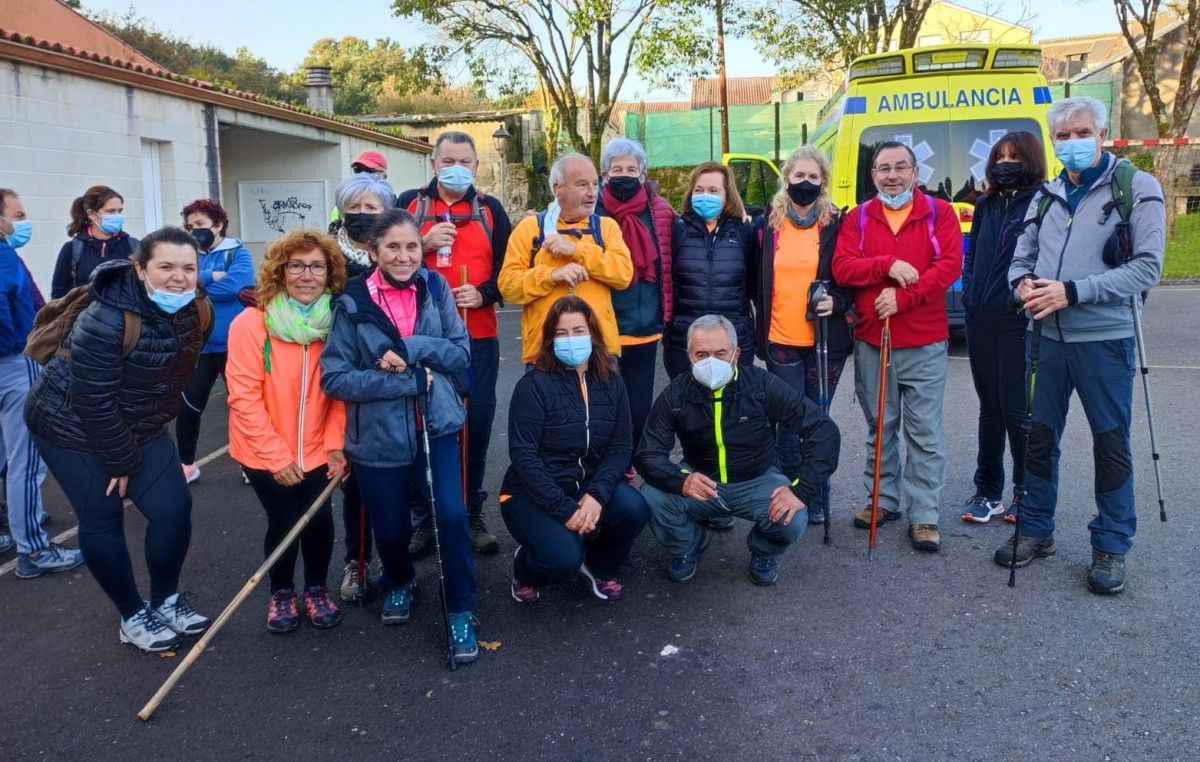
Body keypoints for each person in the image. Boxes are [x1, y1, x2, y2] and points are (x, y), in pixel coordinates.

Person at [1000, 97, 1164, 595]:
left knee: (1110, 443)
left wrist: (1073, 291)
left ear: (1104, 131)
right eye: (1064, 136)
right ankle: (1036, 529)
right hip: (1045, 339)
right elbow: (1020, 260)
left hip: (1105, 339)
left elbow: (1148, 268)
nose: (1073, 143)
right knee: (1039, 439)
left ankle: (1111, 544)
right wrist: (1022, 286)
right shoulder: (1046, 195)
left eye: (1082, 132)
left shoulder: (1136, 187)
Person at [26, 228, 213, 653]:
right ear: (140, 267)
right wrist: (121, 461)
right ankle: (131, 614)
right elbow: (94, 401)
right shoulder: (107, 317)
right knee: (103, 515)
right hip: (69, 424)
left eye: (188, 268)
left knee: (173, 508)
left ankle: (164, 598)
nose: (178, 278)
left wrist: (140, 440)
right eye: (165, 267)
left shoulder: (196, 307)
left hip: (137, 422)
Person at [321, 209, 481, 663]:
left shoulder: (436, 288)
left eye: (412, 246)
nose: (404, 255)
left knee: (451, 515)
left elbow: (459, 352)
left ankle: (462, 607)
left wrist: (412, 349)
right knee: (390, 528)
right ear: (373, 252)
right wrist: (401, 382)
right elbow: (335, 378)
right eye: (392, 247)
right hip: (377, 437)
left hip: (438, 424)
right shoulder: (351, 304)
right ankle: (399, 578)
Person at [635, 315, 840, 586]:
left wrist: (801, 491)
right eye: (702, 354)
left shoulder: (761, 386)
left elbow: (823, 431)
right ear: (689, 356)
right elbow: (647, 453)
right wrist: (681, 480)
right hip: (701, 480)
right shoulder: (676, 394)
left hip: (756, 479)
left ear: (736, 353)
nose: (712, 361)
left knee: (792, 516)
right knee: (652, 496)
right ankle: (688, 544)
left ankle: (763, 550)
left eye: (720, 353)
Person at [832, 141, 963, 553]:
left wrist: (904, 297)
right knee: (880, 426)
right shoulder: (858, 218)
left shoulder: (939, 213)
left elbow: (949, 268)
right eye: (884, 168)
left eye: (900, 167)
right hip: (874, 341)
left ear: (915, 172)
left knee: (924, 434)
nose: (892, 175)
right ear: (873, 176)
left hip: (924, 341)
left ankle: (924, 514)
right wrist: (886, 264)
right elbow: (843, 267)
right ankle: (882, 500)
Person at [227, 230, 349, 633]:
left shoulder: (337, 323)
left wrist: (335, 447)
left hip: (319, 448)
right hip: (263, 450)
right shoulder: (251, 323)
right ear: (280, 271)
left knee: (318, 521)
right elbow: (244, 397)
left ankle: (315, 588)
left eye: (317, 266)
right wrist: (277, 457)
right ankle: (281, 591)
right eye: (296, 265)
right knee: (283, 520)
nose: (306, 275)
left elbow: (340, 393)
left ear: (329, 273)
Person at [397, 131, 512, 556]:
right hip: (420, 338)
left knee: (475, 423)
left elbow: (510, 270)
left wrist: (484, 293)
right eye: (448, 160)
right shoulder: (410, 205)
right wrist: (421, 244)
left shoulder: (491, 209)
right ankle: (425, 516)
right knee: (420, 425)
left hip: (477, 335)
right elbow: (387, 259)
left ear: (477, 166)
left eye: (465, 160)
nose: (456, 168)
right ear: (433, 164)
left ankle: (470, 510)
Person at [501, 296, 650, 603]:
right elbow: (524, 456)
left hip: (587, 483)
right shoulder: (533, 386)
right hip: (531, 494)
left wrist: (597, 494)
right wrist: (565, 511)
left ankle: (600, 564)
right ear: (550, 339)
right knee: (561, 560)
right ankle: (524, 568)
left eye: (579, 330)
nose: (572, 339)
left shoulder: (611, 381)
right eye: (562, 333)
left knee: (635, 509)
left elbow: (621, 444)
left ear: (593, 334)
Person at [755, 146, 852, 527]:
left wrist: (838, 301)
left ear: (823, 182)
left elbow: (848, 277)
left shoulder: (835, 223)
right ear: (786, 180)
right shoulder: (767, 224)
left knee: (817, 421)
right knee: (787, 422)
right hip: (781, 338)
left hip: (825, 340)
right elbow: (754, 278)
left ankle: (813, 494)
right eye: (799, 177)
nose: (806, 184)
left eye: (814, 178)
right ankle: (781, 494)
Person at [960, 131, 1046, 524]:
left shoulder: (1043, 203)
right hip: (981, 320)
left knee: (1016, 410)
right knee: (989, 408)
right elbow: (973, 255)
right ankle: (987, 491)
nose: (1006, 163)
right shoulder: (986, 204)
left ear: (1029, 161)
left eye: (1014, 157)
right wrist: (971, 296)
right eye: (1000, 156)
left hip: (1017, 322)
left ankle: (1024, 493)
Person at [0, 188, 83, 572]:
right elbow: (13, 313)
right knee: (27, 462)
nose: (23, 221)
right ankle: (32, 550)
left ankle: (17, 525)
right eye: (17, 215)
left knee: (7, 455)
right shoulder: (3, 256)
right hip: (14, 362)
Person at [328, 172, 396, 601]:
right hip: (347, 376)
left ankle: (394, 561)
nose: (362, 214)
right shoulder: (326, 257)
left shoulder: (395, 253)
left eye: (372, 208)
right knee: (354, 479)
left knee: (392, 481)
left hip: (392, 375)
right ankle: (356, 560)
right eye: (355, 207)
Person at [499, 153, 633, 367]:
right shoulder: (529, 229)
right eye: (582, 185)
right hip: (544, 353)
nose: (592, 193)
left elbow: (623, 275)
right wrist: (552, 275)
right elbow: (508, 286)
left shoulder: (606, 227)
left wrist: (577, 249)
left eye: (595, 184)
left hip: (600, 351)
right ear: (557, 188)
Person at [596, 138, 676, 462]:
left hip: (645, 328)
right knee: (606, 411)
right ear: (604, 175)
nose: (624, 174)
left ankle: (631, 472)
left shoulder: (661, 211)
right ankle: (605, 477)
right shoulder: (594, 211)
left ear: (643, 174)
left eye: (632, 169)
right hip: (604, 330)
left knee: (639, 411)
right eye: (617, 169)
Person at [176, 199, 255, 484]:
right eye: (190, 226)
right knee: (188, 407)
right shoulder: (189, 254)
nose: (194, 230)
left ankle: (250, 463)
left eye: (200, 224)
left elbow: (234, 287)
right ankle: (186, 464)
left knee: (243, 406)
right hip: (200, 345)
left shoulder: (238, 254)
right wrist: (209, 277)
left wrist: (196, 284)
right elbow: (176, 284)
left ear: (218, 224)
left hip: (235, 344)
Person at [664, 162, 757, 380]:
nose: (705, 195)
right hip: (684, 342)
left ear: (727, 195)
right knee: (687, 408)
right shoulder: (677, 229)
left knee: (733, 408)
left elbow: (754, 284)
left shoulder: (745, 231)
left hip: (734, 340)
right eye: (699, 190)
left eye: (714, 190)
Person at [51, 185, 138, 298]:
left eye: (120, 211)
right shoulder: (72, 249)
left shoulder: (134, 246)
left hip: (126, 315)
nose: (117, 216)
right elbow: (59, 295)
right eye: (111, 211)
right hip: (84, 314)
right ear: (92, 214)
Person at [329, 151, 389, 230]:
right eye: (358, 170)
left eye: (369, 171)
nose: (362, 174)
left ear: (383, 175)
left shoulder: (397, 203)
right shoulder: (342, 201)